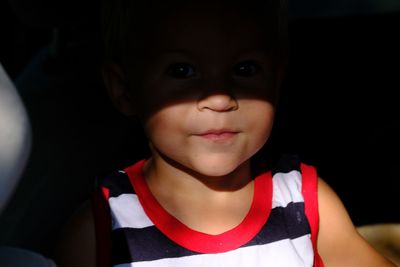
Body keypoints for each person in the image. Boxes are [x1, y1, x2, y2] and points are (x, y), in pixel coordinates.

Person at [54, 0, 397, 266]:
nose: (219, 97)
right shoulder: (99, 230)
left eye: (245, 68)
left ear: (276, 81)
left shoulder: (306, 202)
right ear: (125, 90)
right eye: (182, 70)